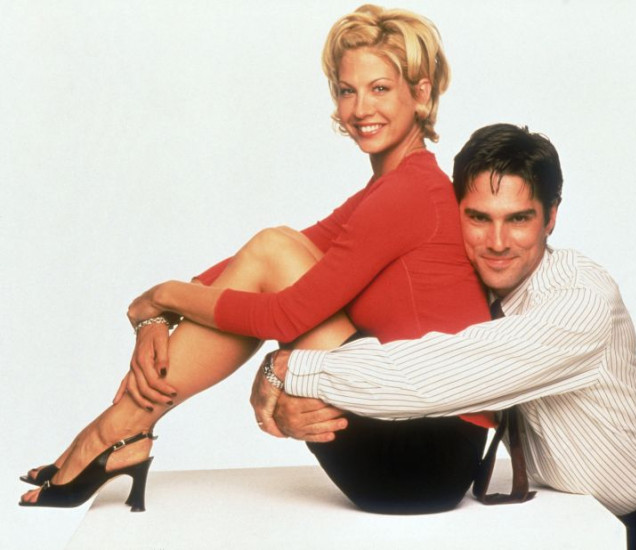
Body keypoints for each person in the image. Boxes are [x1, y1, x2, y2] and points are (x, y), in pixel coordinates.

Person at [19, 5, 494, 514]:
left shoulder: (411, 193)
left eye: (379, 88)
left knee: (274, 248)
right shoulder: (390, 190)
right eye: (346, 90)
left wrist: (161, 296)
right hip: (411, 439)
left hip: (420, 454)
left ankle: (114, 433)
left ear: (420, 94)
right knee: (276, 245)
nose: (360, 109)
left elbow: (285, 312)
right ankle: (116, 433)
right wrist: (158, 313)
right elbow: (265, 260)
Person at [252, 123, 636, 549]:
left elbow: (434, 376)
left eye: (519, 219)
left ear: (551, 217)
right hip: (590, 524)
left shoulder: (579, 300)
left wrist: (291, 368)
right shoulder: (466, 288)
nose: (497, 242)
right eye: (478, 218)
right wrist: (296, 395)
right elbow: (369, 329)